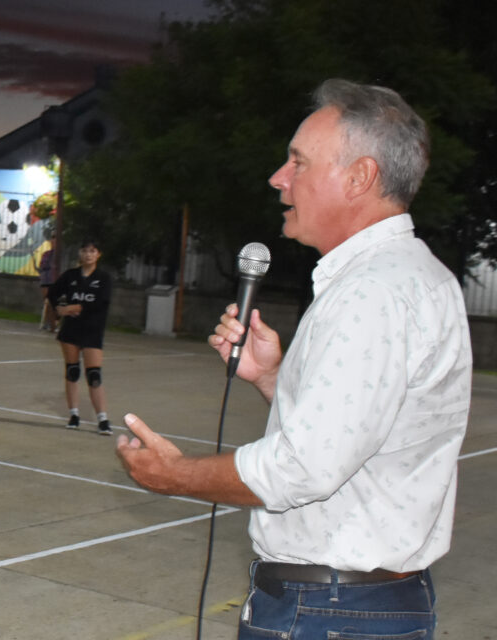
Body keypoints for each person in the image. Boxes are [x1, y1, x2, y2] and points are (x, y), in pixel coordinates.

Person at [116, 79, 470, 638]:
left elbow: (303, 469)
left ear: (360, 177)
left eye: (298, 162)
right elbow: (360, 434)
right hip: (360, 604)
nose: (278, 178)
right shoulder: (414, 274)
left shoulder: (372, 291)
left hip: (330, 611)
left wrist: (176, 476)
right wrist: (274, 378)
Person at [47, 239, 113, 435]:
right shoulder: (70, 276)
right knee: (72, 372)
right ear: (80, 253)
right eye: (84, 251)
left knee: (94, 376)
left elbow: (101, 303)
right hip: (71, 332)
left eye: (92, 251)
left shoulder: (103, 278)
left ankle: (102, 418)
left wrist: (76, 307)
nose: (88, 254)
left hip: (92, 331)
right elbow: (52, 293)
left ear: (98, 254)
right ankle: (74, 415)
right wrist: (60, 308)